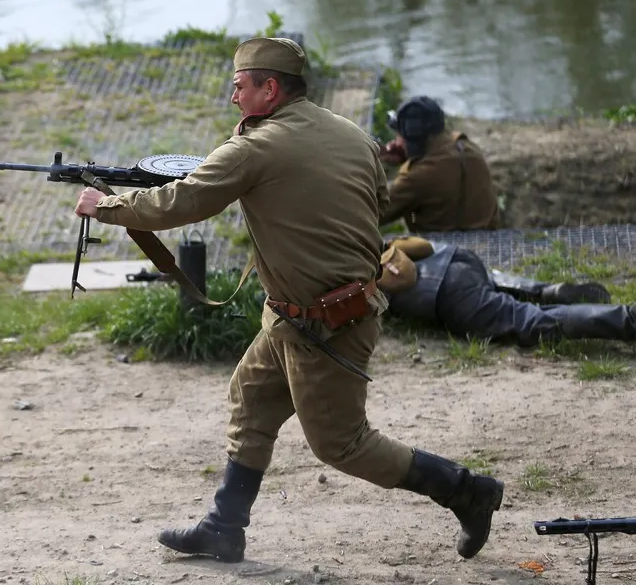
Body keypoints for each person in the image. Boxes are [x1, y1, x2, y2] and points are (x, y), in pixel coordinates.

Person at [74, 37, 503, 565]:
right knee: (250, 401)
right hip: (298, 316)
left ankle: (467, 491)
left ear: (269, 88)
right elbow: (380, 201)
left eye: (239, 86)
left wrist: (107, 205)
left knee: (343, 445)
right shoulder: (355, 137)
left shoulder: (255, 148)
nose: (233, 97)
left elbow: (183, 200)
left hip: (325, 324)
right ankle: (223, 528)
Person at [378, 237, 636, 346]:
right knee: (487, 287)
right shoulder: (358, 230)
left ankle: (627, 319)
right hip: (457, 258)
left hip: (444, 293)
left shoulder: (344, 267)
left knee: (528, 320)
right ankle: (541, 290)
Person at [378, 96, 502, 233]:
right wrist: (409, 156)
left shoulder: (417, 177)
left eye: (399, 135)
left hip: (442, 251)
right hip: (488, 238)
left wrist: (375, 164)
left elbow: (372, 215)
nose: (397, 141)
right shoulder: (468, 148)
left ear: (411, 139)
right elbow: (442, 166)